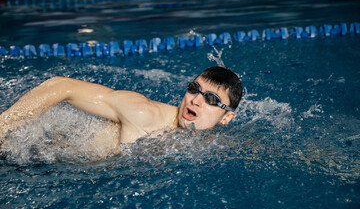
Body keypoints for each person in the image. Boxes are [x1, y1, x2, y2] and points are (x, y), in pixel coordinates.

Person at [0, 66, 243, 147]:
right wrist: (5, 125)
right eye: (193, 88)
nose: (195, 100)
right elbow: (61, 86)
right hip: (34, 150)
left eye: (211, 99)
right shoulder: (143, 113)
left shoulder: (209, 141)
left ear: (226, 118)